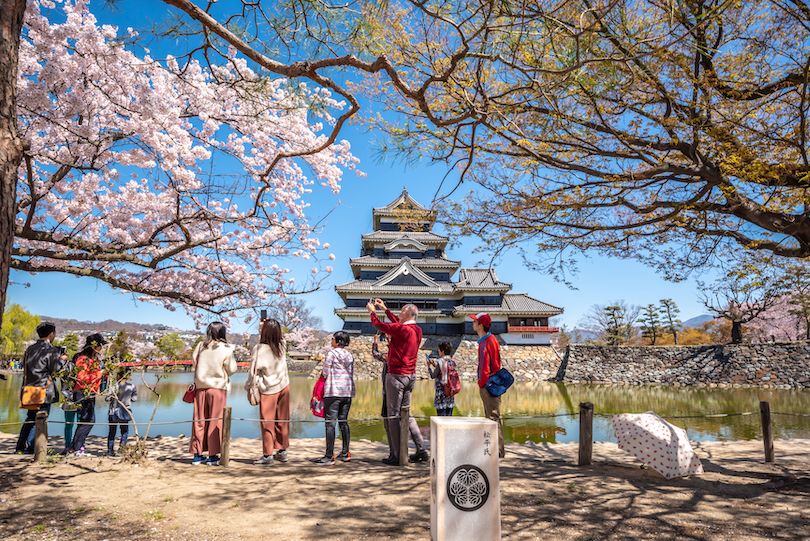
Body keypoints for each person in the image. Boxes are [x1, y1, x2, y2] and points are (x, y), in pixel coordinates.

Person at [366, 298, 428, 465]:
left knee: (393, 415)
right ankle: (421, 449)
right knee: (406, 412)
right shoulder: (417, 330)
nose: (399, 315)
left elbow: (379, 325)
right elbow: (397, 325)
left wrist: (372, 311)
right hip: (411, 376)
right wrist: (385, 309)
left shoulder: (401, 329)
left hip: (396, 376)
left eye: (401, 312)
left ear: (407, 314)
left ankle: (398, 454)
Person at [373, 332, 429, 460]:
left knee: (389, 420)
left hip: (391, 390)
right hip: (407, 382)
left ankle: (396, 453)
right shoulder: (406, 352)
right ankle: (421, 449)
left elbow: (376, 355)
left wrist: (375, 341)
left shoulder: (390, 355)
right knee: (407, 415)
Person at [15, 322, 68, 454]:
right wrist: (62, 359)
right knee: (40, 419)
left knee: (30, 418)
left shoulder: (29, 349)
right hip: (44, 391)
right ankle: (33, 448)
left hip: (29, 390)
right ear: (51, 334)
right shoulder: (51, 350)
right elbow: (56, 369)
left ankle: (20, 447)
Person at [189, 321, 237, 466]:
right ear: (223, 332)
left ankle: (197, 455)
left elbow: (195, 362)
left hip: (200, 387)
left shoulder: (200, 346)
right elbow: (232, 369)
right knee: (215, 420)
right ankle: (212, 455)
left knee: (199, 420)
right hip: (217, 388)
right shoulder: (226, 348)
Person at [249, 318, 290, 466]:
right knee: (283, 420)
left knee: (267, 422)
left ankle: (268, 455)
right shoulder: (282, 345)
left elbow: (253, 372)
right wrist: (267, 327)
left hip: (268, 388)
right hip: (284, 385)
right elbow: (279, 337)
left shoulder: (259, 349)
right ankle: (282, 451)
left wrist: (249, 387)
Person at [312, 331, 355, 466]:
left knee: (330, 423)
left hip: (333, 391)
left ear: (338, 341)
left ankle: (329, 456)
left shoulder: (331, 354)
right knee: (344, 422)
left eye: (333, 339)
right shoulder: (350, 355)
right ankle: (345, 452)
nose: (331, 341)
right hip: (347, 392)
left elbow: (325, 372)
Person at [69, 333, 109, 457]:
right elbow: (82, 379)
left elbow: (98, 377)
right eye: (100, 345)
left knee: (86, 421)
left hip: (91, 392)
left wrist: (105, 373)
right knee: (88, 420)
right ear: (94, 346)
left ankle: (76, 448)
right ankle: (75, 448)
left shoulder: (95, 359)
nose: (101, 348)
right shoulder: (83, 359)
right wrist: (99, 373)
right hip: (82, 392)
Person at [472, 312, 505, 458]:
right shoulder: (491, 339)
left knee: (492, 417)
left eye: (475, 322)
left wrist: (481, 383)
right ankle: (496, 450)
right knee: (494, 417)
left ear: (480, 325)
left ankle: (497, 451)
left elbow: (485, 366)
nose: (472, 324)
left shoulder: (485, 342)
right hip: (494, 384)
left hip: (488, 385)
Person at [106, 368, 137, 457]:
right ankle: (121, 449)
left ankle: (110, 451)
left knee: (112, 432)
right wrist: (128, 399)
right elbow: (134, 399)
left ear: (119, 376)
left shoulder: (114, 386)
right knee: (124, 431)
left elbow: (107, 398)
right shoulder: (132, 386)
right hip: (125, 411)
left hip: (113, 412)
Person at [427, 341, 456, 416]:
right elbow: (444, 371)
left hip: (441, 395)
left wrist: (429, 367)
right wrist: (435, 366)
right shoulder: (452, 362)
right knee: (449, 418)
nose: (439, 352)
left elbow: (433, 375)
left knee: (441, 419)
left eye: (439, 350)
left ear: (442, 351)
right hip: (450, 393)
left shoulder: (440, 361)